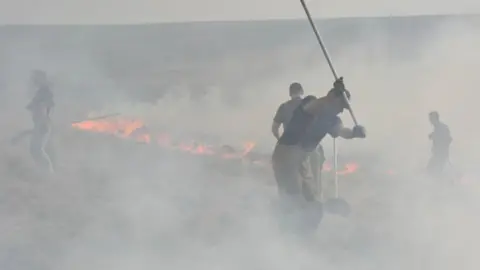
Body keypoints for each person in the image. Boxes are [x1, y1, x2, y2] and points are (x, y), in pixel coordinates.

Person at [271, 77, 366, 233]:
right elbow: (315, 106)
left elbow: (343, 132)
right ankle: (284, 232)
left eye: (344, 107)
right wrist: (334, 95)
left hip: (303, 158)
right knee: (293, 198)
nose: (341, 110)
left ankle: (306, 233)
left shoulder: (332, 120)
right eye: (340, 105)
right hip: (286, 154)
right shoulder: (312, 103)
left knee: (312, 200)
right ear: (331, 98)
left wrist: (355, 133)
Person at [271, 82, 325, 200]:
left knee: (287, 178)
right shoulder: (310, 105)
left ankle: (286, 200)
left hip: (290, 148)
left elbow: (274, 128)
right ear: (302, 92)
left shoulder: (284, 107)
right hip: (310, 147)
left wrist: (281, 140)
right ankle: (317, 197)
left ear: (290, 93)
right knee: (315, 175)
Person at [26, 70, 55, 173]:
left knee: (37, 149)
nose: (34, 81)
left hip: (42, 123)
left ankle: (48, 173)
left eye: (36, 78)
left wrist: (43, 123)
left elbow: (45, 107)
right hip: (40, 123)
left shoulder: (45, 92)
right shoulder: (41, 92)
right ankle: (43, 172)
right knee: (35, 149)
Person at [427, 111, 452, 177]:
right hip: (438, 155)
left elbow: (448, 139)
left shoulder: (442, 127)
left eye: (431, 119)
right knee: (430, 171)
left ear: (435, 119)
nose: (430, 121)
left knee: (433, 172)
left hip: (440, 155)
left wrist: (434, 136)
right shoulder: (438, 128)